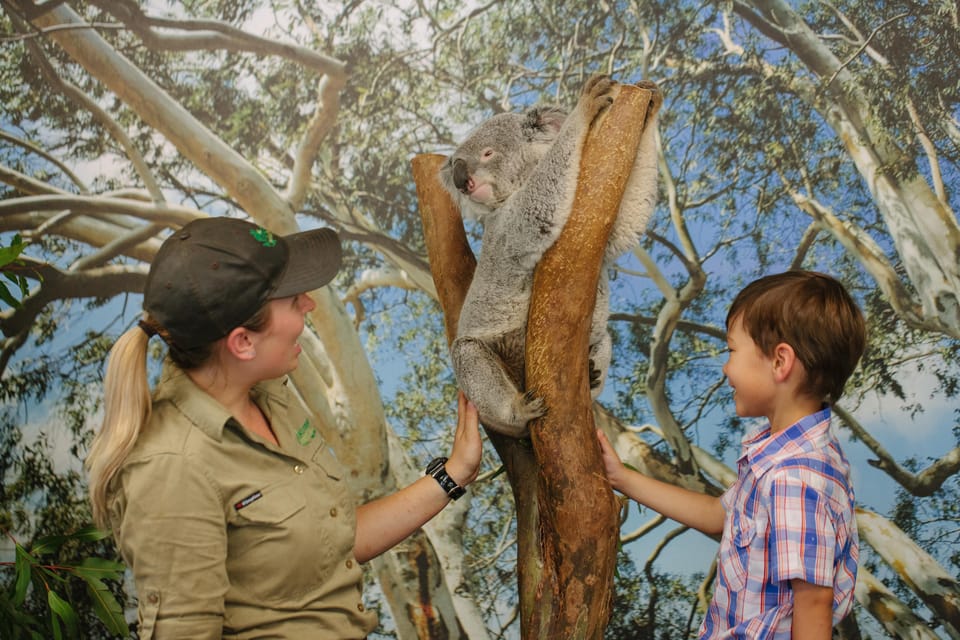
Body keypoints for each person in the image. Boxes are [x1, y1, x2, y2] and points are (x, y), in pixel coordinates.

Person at [85, 216, 482, 639]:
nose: (309, 304)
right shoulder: (171, 468)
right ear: (242, 342)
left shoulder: (270, 393)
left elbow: (331, 543)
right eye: (293, 301)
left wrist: (453, 474)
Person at [598, 270, 865, 639]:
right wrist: (622, 477)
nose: (726, 368)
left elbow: (814, 606)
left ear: (779, 362)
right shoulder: (780, 457)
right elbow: (715, 515)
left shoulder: (796, 480)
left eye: (732, 351)